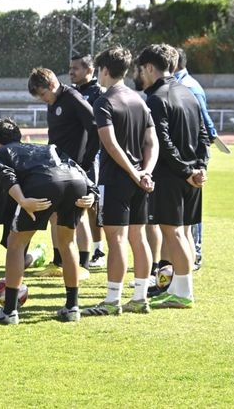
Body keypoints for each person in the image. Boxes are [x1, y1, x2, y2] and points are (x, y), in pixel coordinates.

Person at [0, 119, 96, 324]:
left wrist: (23, 200)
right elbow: (75, 168)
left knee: (16, 244)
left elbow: (6, 175)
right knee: (67, 242)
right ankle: (72, 307)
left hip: (44, 184)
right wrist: (92, 193)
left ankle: (9, 312)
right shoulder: (47, 147)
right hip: (75, 183)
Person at [83, 46, 158, 316]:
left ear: (103, 70)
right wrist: (145, 171)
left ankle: (112, 301)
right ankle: (140, 297)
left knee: (116, 240)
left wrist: (133, 172)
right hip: (139, 180)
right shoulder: (140, 100)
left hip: (116, 180)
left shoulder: (103, 101)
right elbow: (152, 142)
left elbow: (110, 144)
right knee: (139, 238)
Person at [136, 44, 209, 309]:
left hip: (171, 176)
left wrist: (186, 171)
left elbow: (162, 143)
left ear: (150, 68)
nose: (140, 75)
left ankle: (182, 293)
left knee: (173, 233)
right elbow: (203, 136)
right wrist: (197, 168)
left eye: (141, 69)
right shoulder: (188, 92)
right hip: (190, 176)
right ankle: (178, 289)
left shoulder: (157, 98)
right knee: (184, 233)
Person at [27, 67, 98, 277]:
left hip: (77, 169)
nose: (43, 99)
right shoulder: (54, 102)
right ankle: (58, 262)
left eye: (43, 94)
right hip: (58, 168)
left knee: (79, 214)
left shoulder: (73, 97)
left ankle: (82, 264)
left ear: (52, 84)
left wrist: (86, 161)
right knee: (55, 214)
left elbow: (95, 126)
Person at [174, 48, 215, 270]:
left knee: (191, 208)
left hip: (192, 155)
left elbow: (204, 121)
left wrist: (202, 161)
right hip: (187, 153)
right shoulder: (183, 85)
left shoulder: (189, 87)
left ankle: (195, 252)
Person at [69, 53, 106, 267]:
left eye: (76, 68)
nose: (71, 71)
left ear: (89, 71)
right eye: (70, 68)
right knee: (74, 202)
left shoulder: (98, 94)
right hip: (73, 155)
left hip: (93, 156)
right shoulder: (70, 92)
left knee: (93, 204)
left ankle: (98, 251)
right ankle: (76, 250)